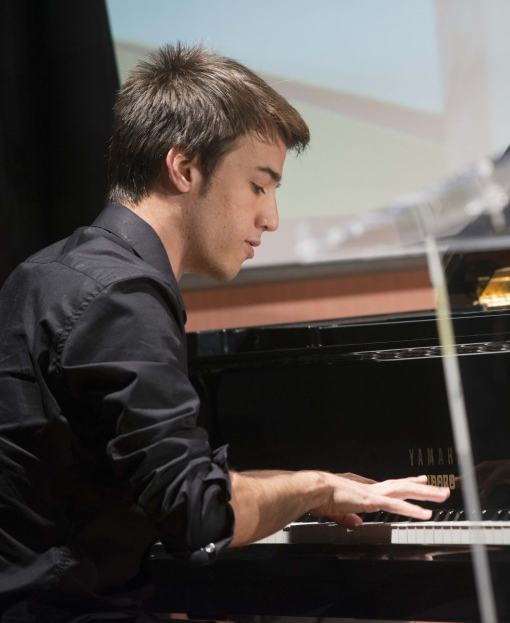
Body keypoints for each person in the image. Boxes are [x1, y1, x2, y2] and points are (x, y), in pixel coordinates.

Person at [0, 43, 449, 620]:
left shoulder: (48, 272)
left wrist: (308, 485)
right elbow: (197, 511)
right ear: (184, 167)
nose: (272, 217)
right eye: (260, 185)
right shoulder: (121, 297)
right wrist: (313, 488)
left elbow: (148, 486)